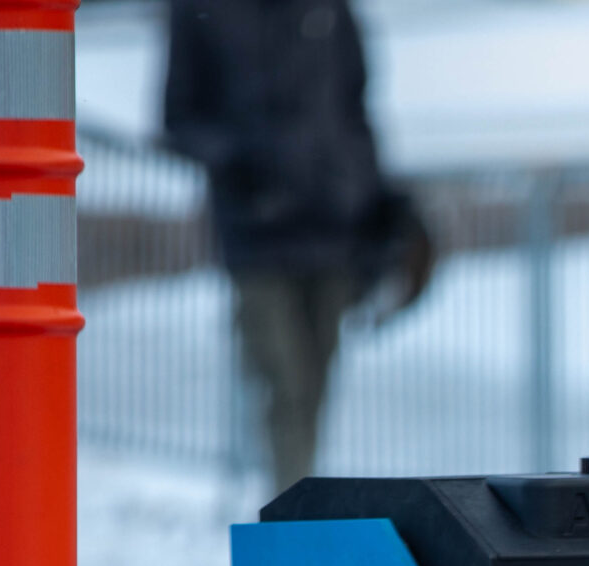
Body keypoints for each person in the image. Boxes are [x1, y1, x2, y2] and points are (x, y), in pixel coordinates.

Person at [162, 0, 432, 491]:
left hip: (336, 230)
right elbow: (178, 120)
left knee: (312, 392)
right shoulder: (200, 10)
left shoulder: (331, 8)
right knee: (283, 388)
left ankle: (297, 514)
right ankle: (290, 520)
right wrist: (243, 167)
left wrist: (377, 199)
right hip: (258, 237)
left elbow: (354, 110)